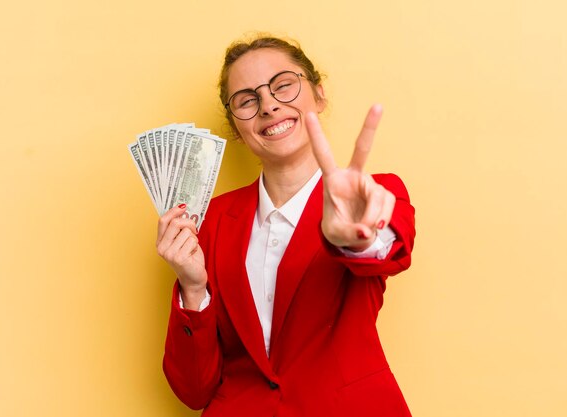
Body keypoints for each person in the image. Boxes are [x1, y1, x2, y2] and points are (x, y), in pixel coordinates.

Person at [156, 35, 416, 417]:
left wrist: (358, 237)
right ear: (236, 126)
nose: (269, 105)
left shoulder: (375, 194)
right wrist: (193, 290)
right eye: (247, 100)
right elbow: (195, 391)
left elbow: (386, 251)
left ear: (319, 94)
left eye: (283, 85)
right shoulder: (208, 222)